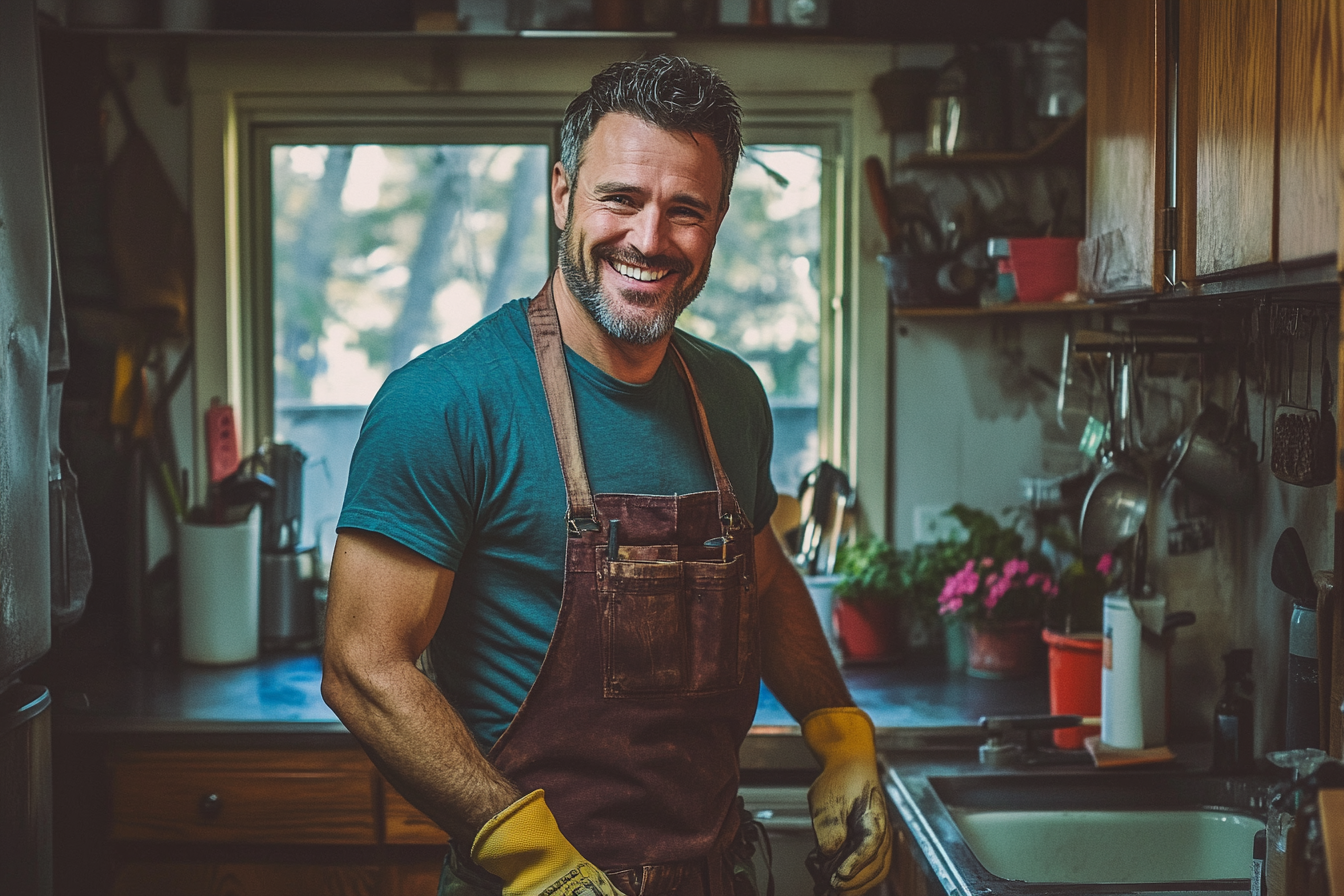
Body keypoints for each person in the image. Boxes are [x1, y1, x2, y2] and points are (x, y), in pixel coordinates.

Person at [322, 55, 890, 896]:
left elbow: (762, 582)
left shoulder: (732, 396)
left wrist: (840, 730)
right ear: (562, 195)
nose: (650, 239)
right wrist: (529, 855)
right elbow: (363, 664)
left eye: (685, 210)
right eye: (620, 198)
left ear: (719, 220)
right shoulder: (446, 403)